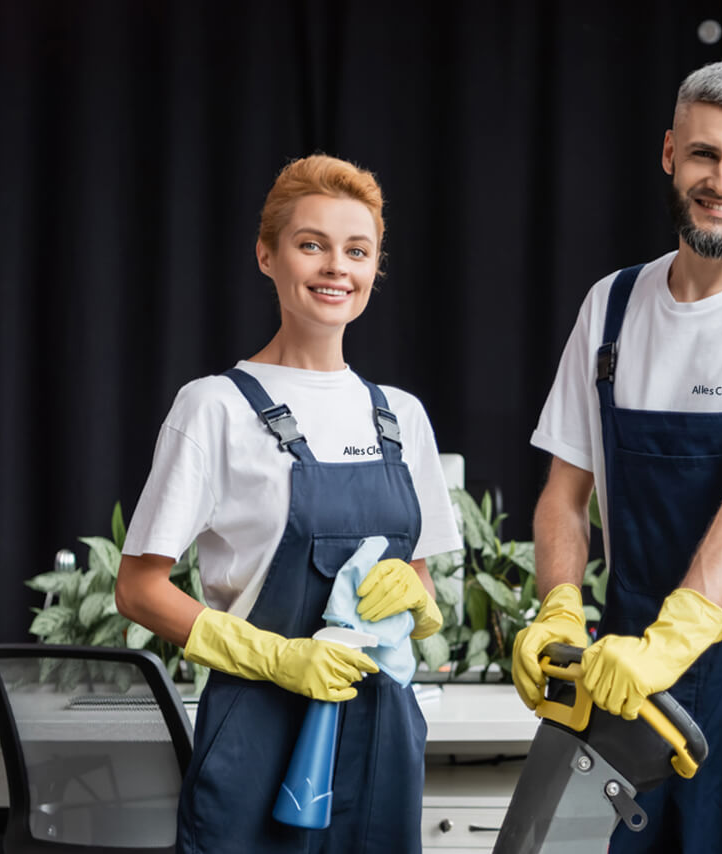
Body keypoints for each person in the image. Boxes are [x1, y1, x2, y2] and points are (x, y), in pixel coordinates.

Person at [513, 59, 722, 852]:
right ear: (670, 152)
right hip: (625, 663)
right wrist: (561, 607)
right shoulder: (613, 304)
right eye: (705, 154)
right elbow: (566, 491)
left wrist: (676, 639)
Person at [114, 153, 462, 853]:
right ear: (267, 255)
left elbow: (419, 578)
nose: (337, 267)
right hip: (258, 733)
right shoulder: (213, 407)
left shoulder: (400, 417)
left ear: (373, 269)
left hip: (382, 736)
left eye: (356, 251)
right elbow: (137, 588)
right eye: (313, 245)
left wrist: (420, 604)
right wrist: (272, 656)